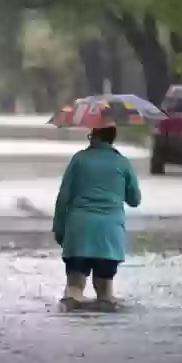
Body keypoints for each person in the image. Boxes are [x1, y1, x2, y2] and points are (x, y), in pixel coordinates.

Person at [52, 122, 142, 306]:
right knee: (105, 294)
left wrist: (59, 228)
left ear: (94, 135)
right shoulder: (122, 163)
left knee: (74, 289)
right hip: (109, 235)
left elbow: (63, 197)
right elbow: (135, 200)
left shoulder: (79, 159)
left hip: (79, 232)